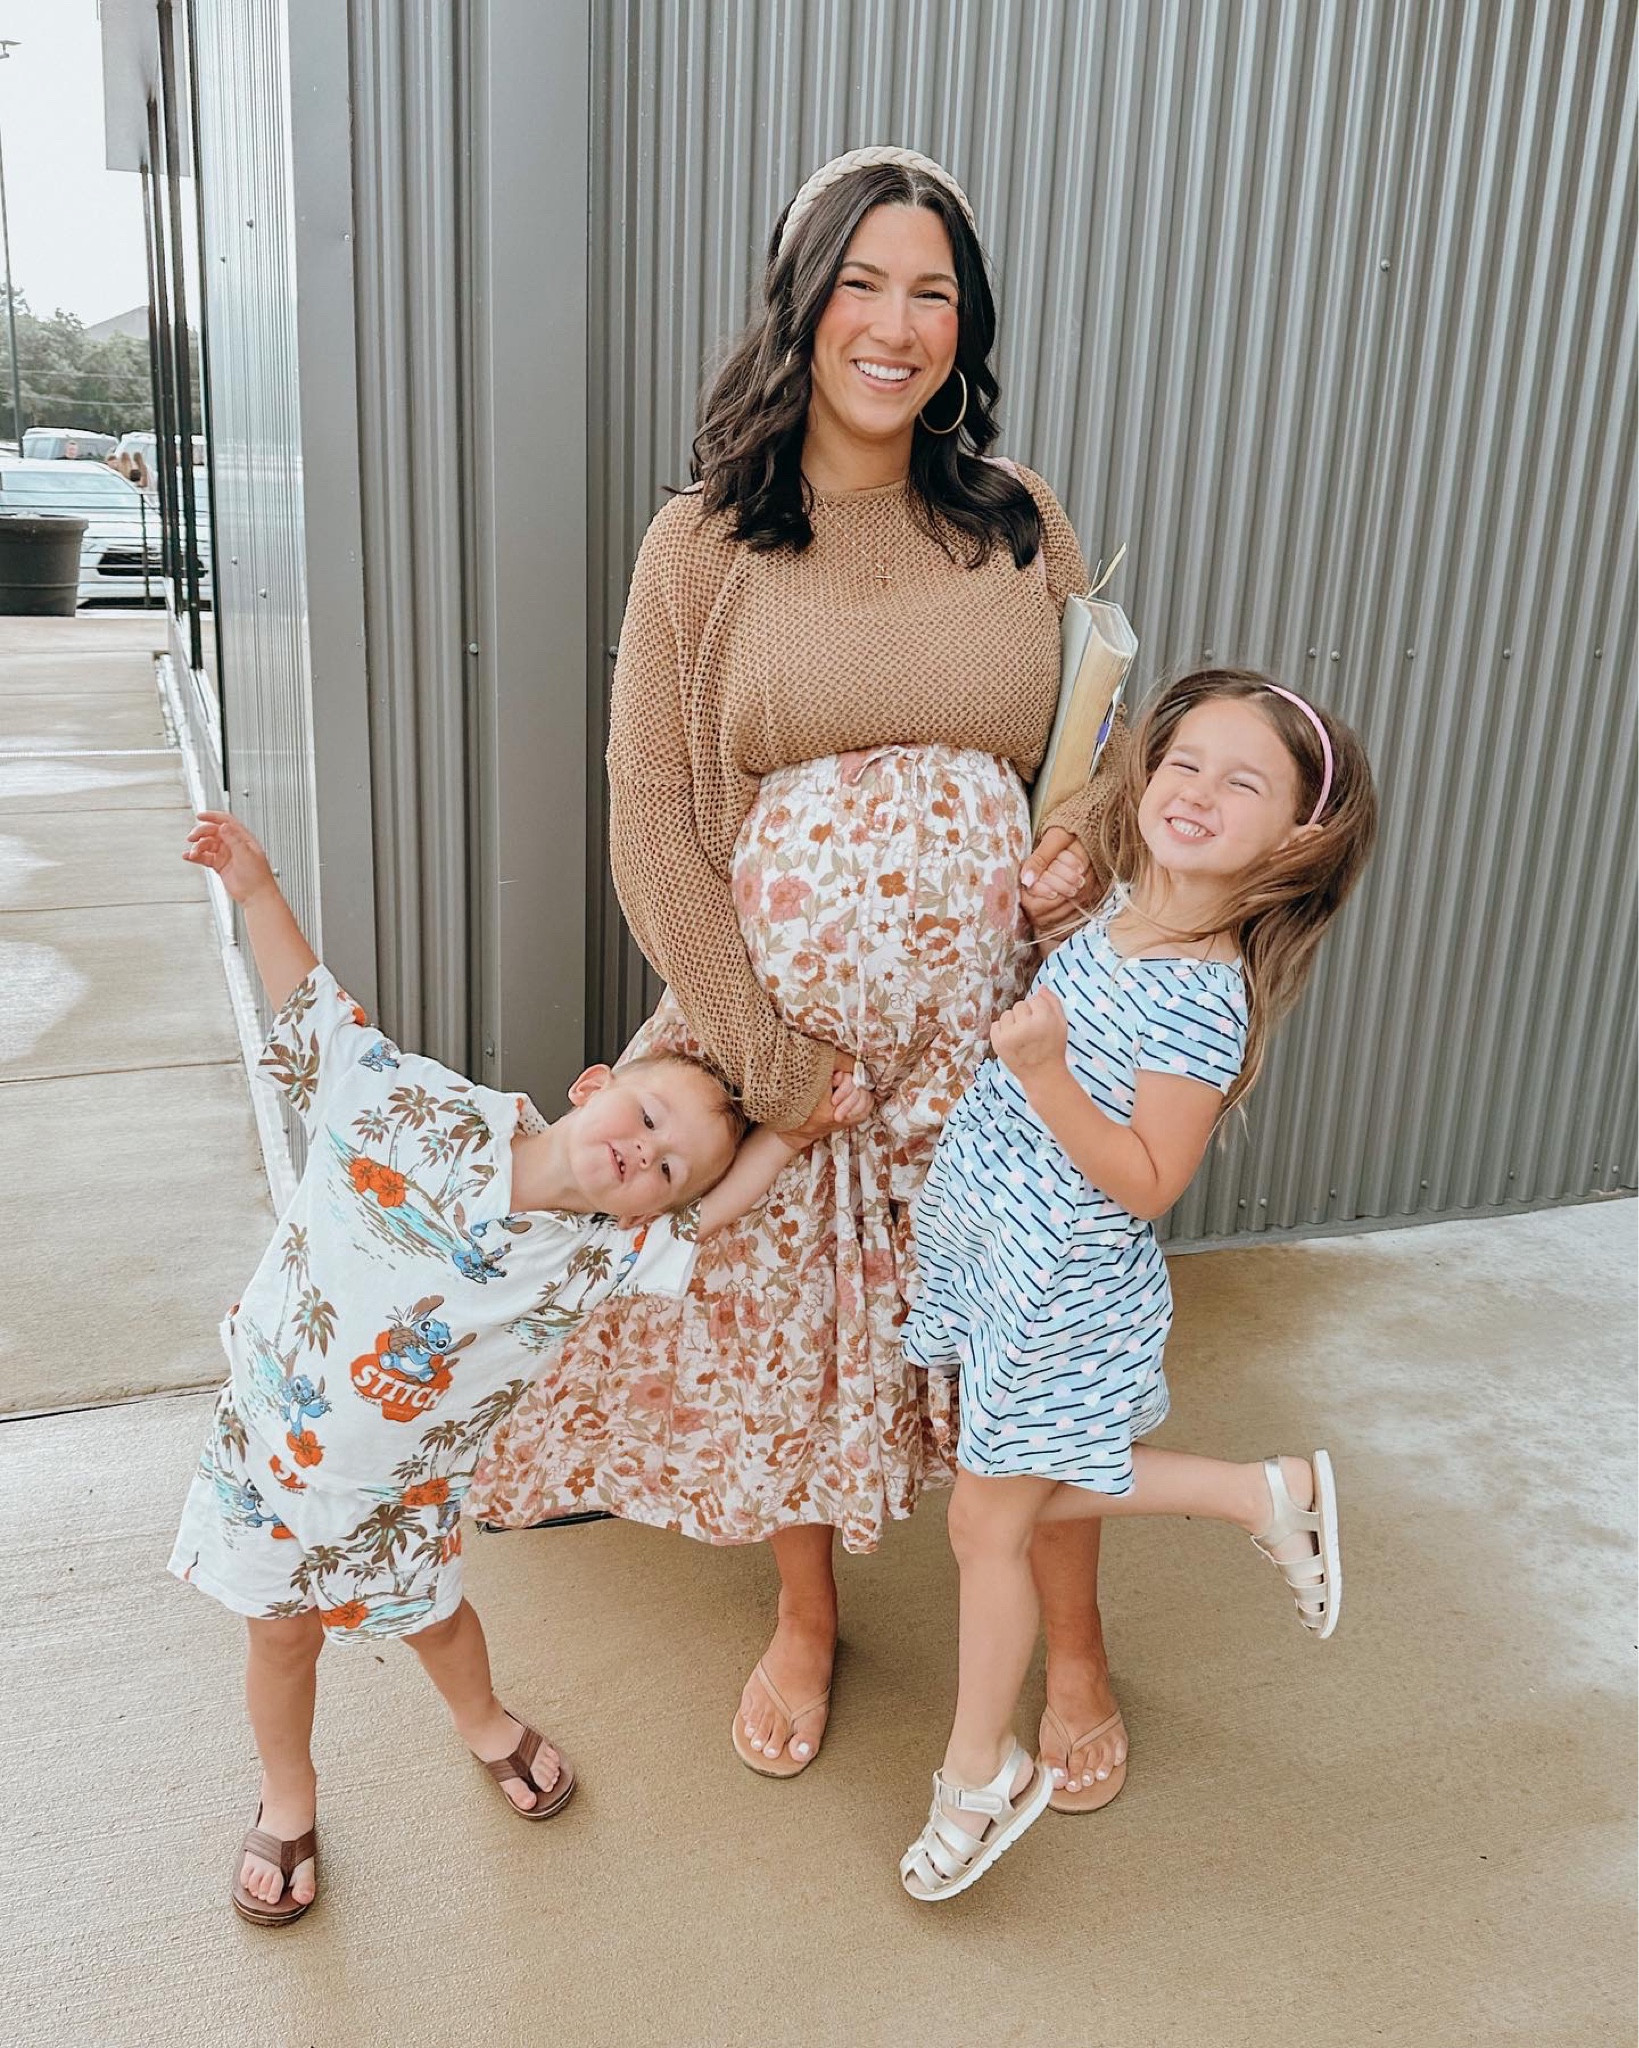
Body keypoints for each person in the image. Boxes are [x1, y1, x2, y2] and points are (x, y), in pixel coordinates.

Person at [468, 145, 1134, 1794]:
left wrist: (1082, 848)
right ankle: (807, 1612)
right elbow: (647, 820)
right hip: (793, 1058)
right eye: (861, 282)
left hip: (994, 1046)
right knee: (791, 1341)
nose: (895, 324)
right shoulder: (705, 543)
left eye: (931, 290)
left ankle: (1074, 1653)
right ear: (800, 300)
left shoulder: (1013, 517)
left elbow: (1091, 754)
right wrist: (771, 1065)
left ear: (960, 319)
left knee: (1022, 1346)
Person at [169, 811, 855, 1927]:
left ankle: (484, 1720)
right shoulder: (416, 1108)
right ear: (594, 1086)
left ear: (655, 1206)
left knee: (437, 1618)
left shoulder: (600, 1254)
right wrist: (257, 891)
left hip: (406, 1496)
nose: (643, 1149)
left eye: (666, 1164)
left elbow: (722, 1211)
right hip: (268, 1455)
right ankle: (288, 1795)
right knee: (280, 1634)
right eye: (644, 1114)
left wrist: (796, 1130)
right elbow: (316, 1019)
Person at [895, 669, 1379, 1901]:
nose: (1198, 791)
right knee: (1002, 1502)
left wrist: (1049, 1073)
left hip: (1062, 1281)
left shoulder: (1202, 994)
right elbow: (1103, 761)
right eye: (1184, 762)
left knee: (983, 1523)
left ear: (1299, 837)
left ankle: (976, 1773)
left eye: (1243, 781)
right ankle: (1258, 1491)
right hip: (1009, 1255)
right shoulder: (1119, 909)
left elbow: (1153, 1178)